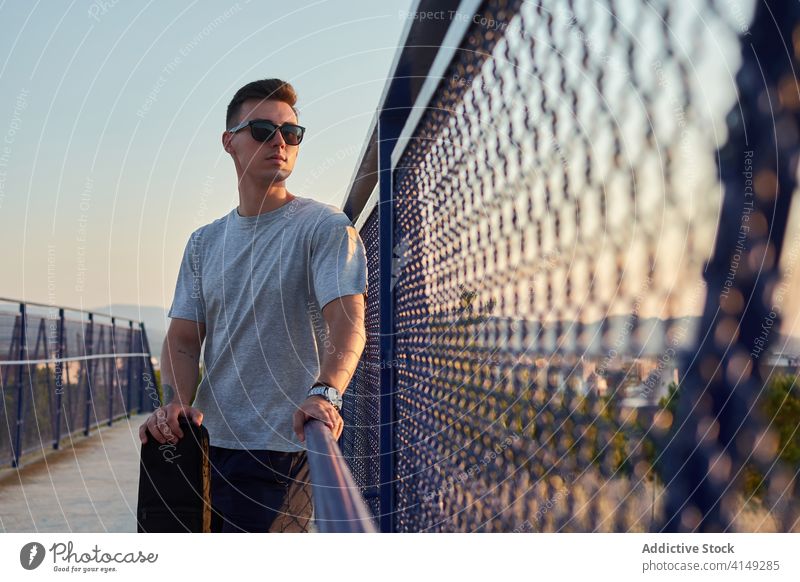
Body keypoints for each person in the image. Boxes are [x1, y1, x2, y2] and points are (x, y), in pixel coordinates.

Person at [138, 78, 367, 532]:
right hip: (201, 447)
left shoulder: (324, 228)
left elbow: (348, 324)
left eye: (292, 133)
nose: (280, 141)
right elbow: (184, 339)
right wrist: (176, 406)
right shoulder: (204, 243)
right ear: (230, 142)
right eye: (263, 130)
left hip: (283, 451)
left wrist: (325, 391)